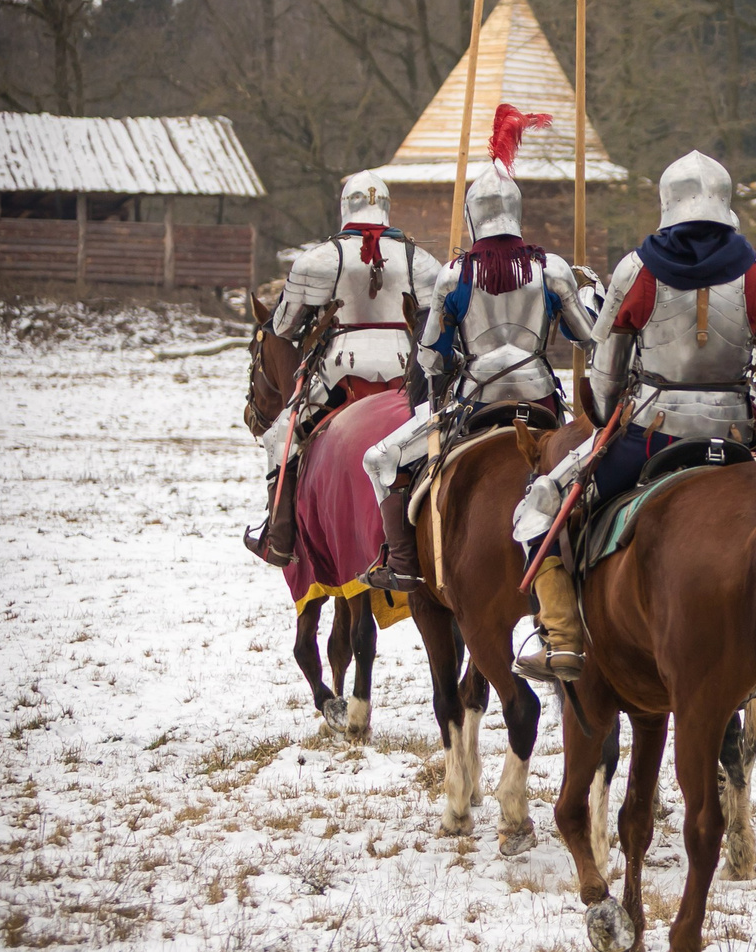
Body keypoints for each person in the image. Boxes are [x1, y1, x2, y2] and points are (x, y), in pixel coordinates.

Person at [507, 150, 756, 680]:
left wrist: (611, 419)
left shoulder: (637, 268)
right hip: (735, 437)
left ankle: (563, 637)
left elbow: (605, 376)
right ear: (724, 202)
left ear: (666, 202)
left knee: (542, 502)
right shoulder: (753, 268)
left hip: (651, 435)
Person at [363, 106, 597, 592]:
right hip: (540, 399)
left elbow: (429, 357)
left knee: (381, 459)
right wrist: (586, 291)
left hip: (475, 403)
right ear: (517, 212)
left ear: (473, 216)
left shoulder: (455, 274)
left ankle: (404, 562)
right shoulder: (549, 268)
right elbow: (586, 336)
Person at [247, 171, 443, 565]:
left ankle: (279, 537)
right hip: (406, 373)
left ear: (344, 208)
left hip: (341, 373)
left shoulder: (318, 260)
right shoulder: (420, 260)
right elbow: (433, 323)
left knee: (280, 435)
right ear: (386, 208)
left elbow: (283, 327)